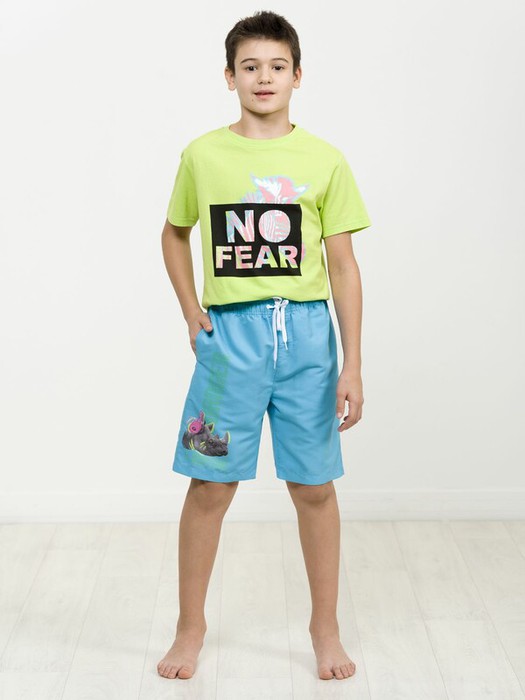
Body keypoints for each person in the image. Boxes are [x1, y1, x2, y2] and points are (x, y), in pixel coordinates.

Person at [157, 10, 372, 683]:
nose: (263, 77)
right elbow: (174, 233)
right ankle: (190, 626)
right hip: (230, 347)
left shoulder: (323, 160)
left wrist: (352, 364)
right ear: (229, 77)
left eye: (277, 66)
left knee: (313, 486)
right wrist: (192, 312)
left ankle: (324, 628)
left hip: (306, 343)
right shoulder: (203, 155)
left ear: (297, 75)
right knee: (209, 483)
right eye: (249, 66)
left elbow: (342, 266)